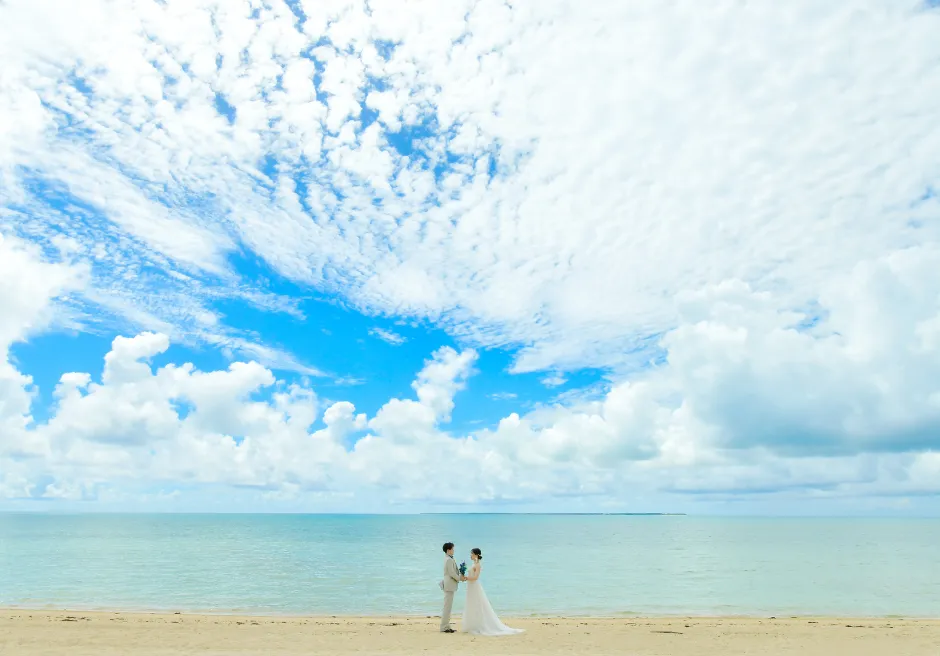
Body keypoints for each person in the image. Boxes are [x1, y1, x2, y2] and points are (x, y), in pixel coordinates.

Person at [460, 547, 524, 636]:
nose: (470, 555)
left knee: (478, 604)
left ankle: (479, 624)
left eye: (472, 553)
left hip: (474, 586)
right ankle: (473, 624)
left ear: (476, 554)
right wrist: (464, 577)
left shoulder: (478, 565)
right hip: (470, 586)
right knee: (471, 603)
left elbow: (476, 578)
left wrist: (466, 578)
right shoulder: (474, 564)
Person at [439, 542, 465, 633]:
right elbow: (452, 573)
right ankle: (444, 627)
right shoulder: (448, 560)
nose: (453, 551)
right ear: (448, 550)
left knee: (448, 607)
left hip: (449, 585)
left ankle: (446, 626)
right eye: (452, 549)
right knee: (447, 607)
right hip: (449, 585)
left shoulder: (448, 558)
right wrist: (460, 579)